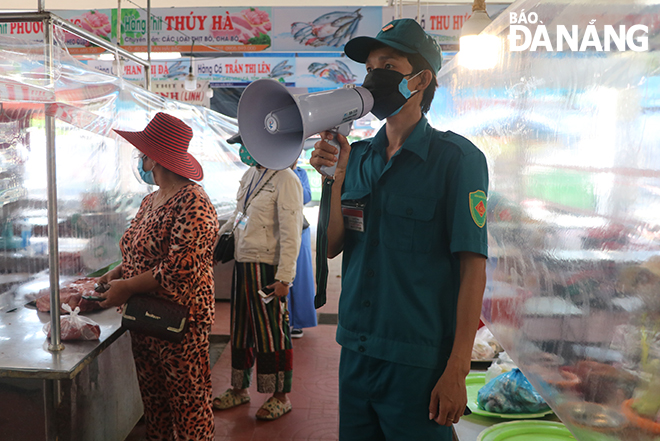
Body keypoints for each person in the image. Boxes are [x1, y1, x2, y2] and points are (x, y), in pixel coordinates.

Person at [310, 19, 489, 440]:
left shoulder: (457, 160)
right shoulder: (357, 158)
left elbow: (472, 269)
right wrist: (332, 178)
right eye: (370, 67)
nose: (373, 78)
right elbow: (334, 244)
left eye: (388, 65)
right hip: (355, 351)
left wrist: (457, 369)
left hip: (419, 363)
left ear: (421, 79)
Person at [98, 112, 219, 440]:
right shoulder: (150, 200)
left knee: (189, 409)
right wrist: (116, 273)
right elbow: (140, 251)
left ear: (154, 158)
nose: (140, 159)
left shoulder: (194, 203)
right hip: (144, 320)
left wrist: (125, 287)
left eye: (142, 153)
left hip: (180, 325)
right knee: (156, 406)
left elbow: (178, 269)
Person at [212, 145, 303, 420]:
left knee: (271, 331)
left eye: (248, 143)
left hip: (268, 271)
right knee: (240, 329)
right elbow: (241, 215)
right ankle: (239, 389)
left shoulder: (286, 179)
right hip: (243, 265)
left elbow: (291, 232)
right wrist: (221, 237)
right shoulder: (251, 175)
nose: (244, 150)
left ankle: (280, 396)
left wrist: (285, 277)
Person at [288, 161, 318, 338]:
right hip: (278, 227)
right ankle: (284, 318)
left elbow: (306, 197)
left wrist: (292, 173)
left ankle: (298, 322)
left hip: (300, 228)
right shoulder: (271, 169)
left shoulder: (301, 173)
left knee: (301, 275)